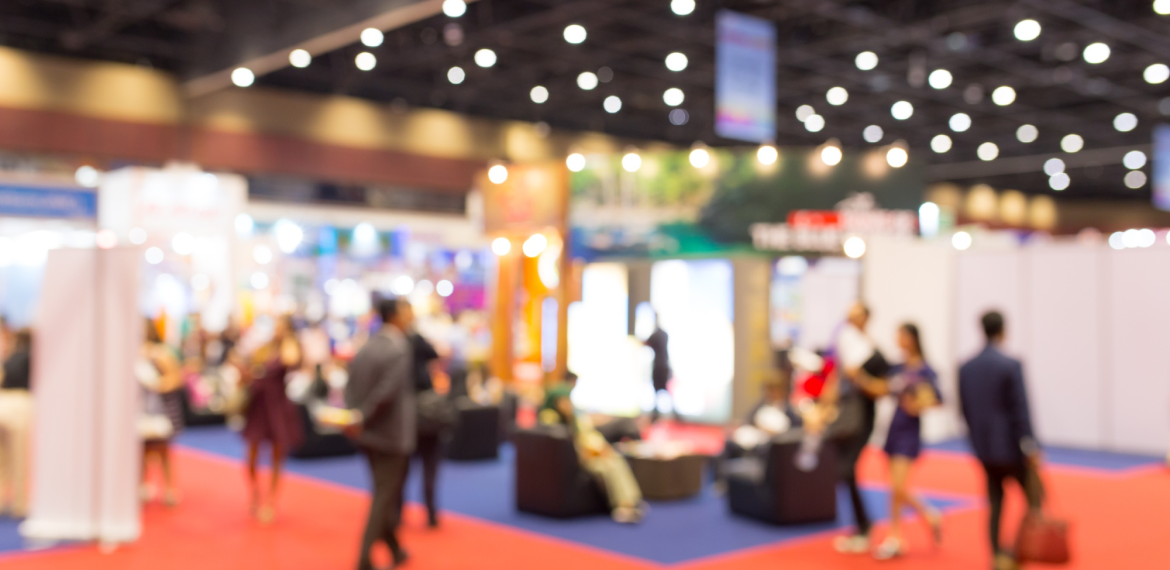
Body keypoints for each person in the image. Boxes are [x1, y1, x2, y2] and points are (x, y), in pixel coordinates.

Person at [959, 311, 1043, 570]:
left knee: (995, 502)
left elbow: (964, 409)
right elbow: (1020, 409)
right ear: (1003, 330)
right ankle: (1016, 554)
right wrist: (1030, 445)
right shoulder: (1010, 364)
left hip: (983, 448)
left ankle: (997, 555)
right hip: (1011, 448)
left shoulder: (966, 366)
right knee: (1035, 497)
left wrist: (976, 441)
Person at [346, 298, 415, 569]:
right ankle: (364, 556)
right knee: (385, 496)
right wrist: (364, 416)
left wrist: (356, 418)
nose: (411, 316)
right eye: (407, 311)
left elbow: (351, 386)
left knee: (383, 491)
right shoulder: (398, 347)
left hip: (368, 433)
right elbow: (387, 393)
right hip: (390, 434)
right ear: (394, 315)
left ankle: (395, 550)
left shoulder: (367, 346)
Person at [822, 302, 888, 555]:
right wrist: (824, 408)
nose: (851, 318)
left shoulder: (871, 349)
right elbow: (837, 378)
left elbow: (881, 387)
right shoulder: (847, 344)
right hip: (847, 414)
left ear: (866, 317)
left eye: (856, 315)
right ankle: (862, 525)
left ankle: (864, 526)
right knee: (845, 471)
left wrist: (858, 377)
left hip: (862, 417)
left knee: (847, 469)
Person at [873, 323, 943, 560]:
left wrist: (919, 404)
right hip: (894, 427)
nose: (899, 340)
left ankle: (927, 515)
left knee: (899, 486)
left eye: (902, 335)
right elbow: (884, 388)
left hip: (910, 430)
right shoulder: (897, 367)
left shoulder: (925, 369)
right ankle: (896, 535)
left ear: (912, 338)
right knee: (893, 487)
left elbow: (938, 399)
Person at [542, 384, 645, 523]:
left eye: (568, 400)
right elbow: (562, 445)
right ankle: (622, 506)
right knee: (605, 468)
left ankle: (631, 501)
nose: (566, 405)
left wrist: (601, 448)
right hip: (575, 459)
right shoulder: (550, 419)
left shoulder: (575, 417)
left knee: (615, 460)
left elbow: (589, 435)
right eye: (562, 401)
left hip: (590, 454)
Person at [241, 314, 304, 524]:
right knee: (251, 452)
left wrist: (288, 339)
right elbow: (252, 366)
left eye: (281, 326)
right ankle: (255, 492)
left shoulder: (289, 347)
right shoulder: (265, 347)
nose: (277, 329)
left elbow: (292, 360)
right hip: (258, 404)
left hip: (277, 406)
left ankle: (270, 500)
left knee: (278, 454)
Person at [406, 308, 448, 528]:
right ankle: (431, 513)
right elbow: (435, 354)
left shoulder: (400, 342)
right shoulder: (415, 340)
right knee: (429, 466)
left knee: (403, 469)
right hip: (424, 413)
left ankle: (398, 513)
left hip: (409, 414)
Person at [139, 321, 185, 507]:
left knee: (162, 450)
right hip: (141, 410)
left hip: (161, 410)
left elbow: (176, 378)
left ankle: (169, 488)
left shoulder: (162, 353)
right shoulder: (137, 352)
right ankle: (143, 486)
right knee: (141, 451)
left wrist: (156, 385)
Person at [0, 329, 33, 517]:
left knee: (4, 460)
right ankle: (19, 504)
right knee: (18, 459)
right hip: (18, 404)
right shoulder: (29, 357)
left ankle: (4, 501)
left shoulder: (10, 359)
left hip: (6, 402)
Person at [643, 315, 674, 422]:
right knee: (663, 391)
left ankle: (656, 416)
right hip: (665, 366)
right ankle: (662, 415)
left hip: (658, 367)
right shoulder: (664, 334)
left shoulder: (656, 335)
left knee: (659, 391)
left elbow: (645, 343)